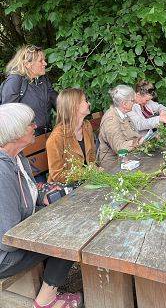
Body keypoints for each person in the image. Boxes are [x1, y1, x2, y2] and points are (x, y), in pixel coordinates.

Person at [0, 103, 82, 308]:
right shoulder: (2, 170)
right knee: (72, 232)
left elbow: (27, 196)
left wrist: (45, 199)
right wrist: (51, 225)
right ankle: (46, 300)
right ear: (16, 132)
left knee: (71, 217)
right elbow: (7, 239)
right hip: (4, 256)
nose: (36, 125)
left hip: (17, 236)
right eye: (30, 124)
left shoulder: (16, 157)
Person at [1, 45, 57, 135]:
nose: (45, 63)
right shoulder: (15, 81)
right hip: (25, 140)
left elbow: (57, 101)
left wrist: (73, 109)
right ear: (27, 64)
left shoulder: (43, 79)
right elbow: (8, 114)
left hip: (46, 134)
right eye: (40, 61)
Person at [46, 88, 96, 183]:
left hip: (88, 182)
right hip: (68, 189)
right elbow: (57, 175)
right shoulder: (56, 137)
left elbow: (92, 158)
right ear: (74, 106)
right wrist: (87, 173)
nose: (88, 103)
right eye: (85, 101)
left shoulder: (86, 126)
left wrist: (95, 171)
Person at [98, 85, 143, 170]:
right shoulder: (111, 120)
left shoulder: (123, 115)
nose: (135, 103)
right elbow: (120, 148)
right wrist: (140, 141)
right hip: (113, 167)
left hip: (127, 160)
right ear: (124, 104)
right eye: (132, 101)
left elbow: (133, 135)